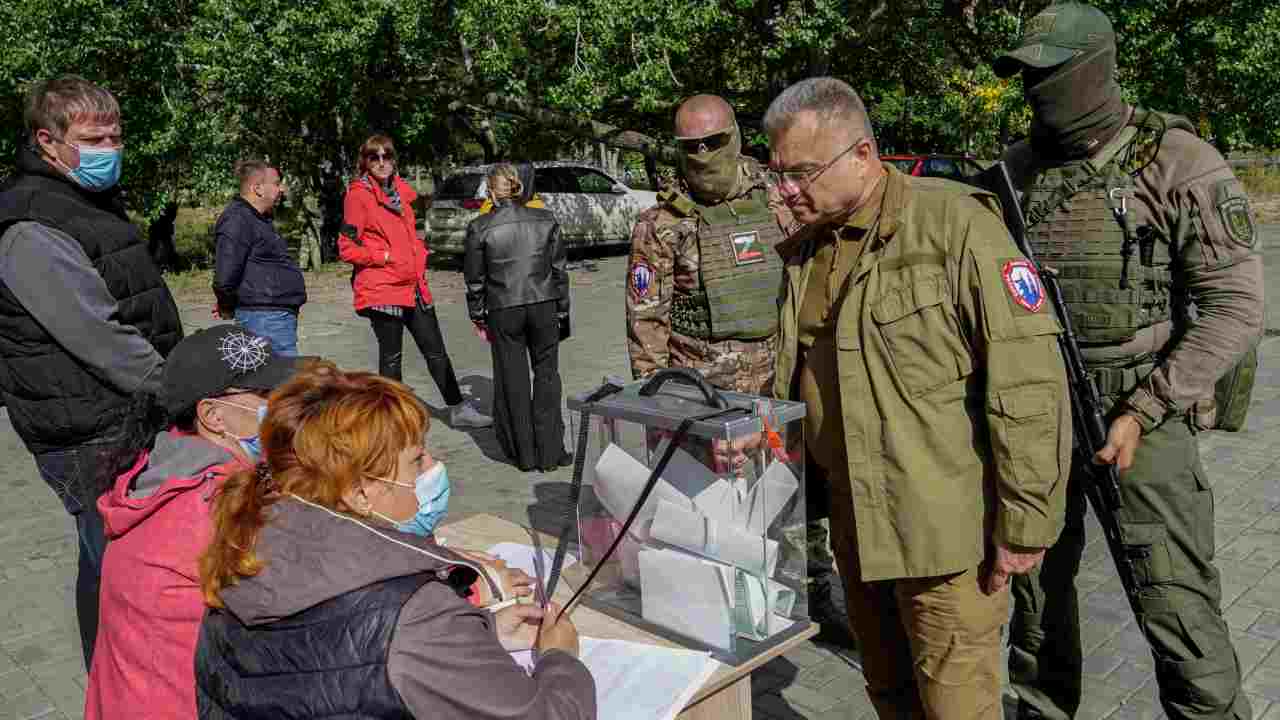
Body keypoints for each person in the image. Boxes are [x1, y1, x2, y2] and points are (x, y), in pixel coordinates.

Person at [764, 77, 1072, 718]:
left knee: (956, 706)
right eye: (778, 173)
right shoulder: (807, 248)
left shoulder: (954, 227)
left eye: (801, 173)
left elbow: (1030, 381)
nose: (786, 190)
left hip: (943, 540)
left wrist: (1027, 522)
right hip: (854, 524)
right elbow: (803, 375)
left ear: (863, 154)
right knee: (890, 695)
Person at [991, 5, 1264, 719]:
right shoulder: (1015, 174)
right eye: (1026, 76)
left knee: (1175, 604)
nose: (1033, 92)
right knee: (1037, 598)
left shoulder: (1177, 162)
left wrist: (1145, 409)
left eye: (1046, 75)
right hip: (1038, 410)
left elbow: (1237, 306)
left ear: (1092, 69)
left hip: (1142, 408)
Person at [194, 363, 594, 719]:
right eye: (417, 460)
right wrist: (559, 658)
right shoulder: (416, 615)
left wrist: (478, 632)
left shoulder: (242, 551)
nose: (436, 467)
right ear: (360, 494)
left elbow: (341, 660)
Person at [624, 93, 850, 646]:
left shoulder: (779, 197)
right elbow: (644, 322)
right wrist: (663, 414)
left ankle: (812, 594)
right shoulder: (661, 224)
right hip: (703, 398)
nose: (703, 154)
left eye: (714, 141)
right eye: (690, 146)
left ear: (737, 137)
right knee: (708, 512)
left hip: (781, 384)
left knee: (794, 497)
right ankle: (719, 605)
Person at [0, 75, 184, 668]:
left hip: (115, 415)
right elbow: (99, 337)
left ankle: (120, 675)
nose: (109, 148)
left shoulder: (81, 199)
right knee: (114, 561)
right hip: (86, 429)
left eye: (115, 135)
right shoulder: (32, 224)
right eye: (92, 137)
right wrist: (181, 385)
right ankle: (121, 681)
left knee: (107, 553)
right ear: (47, 141)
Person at [84, 325, 299, 719]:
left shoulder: (163, 466)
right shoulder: (219, 506)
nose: (284, 406)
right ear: (214, 416)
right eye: (268, 396)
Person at [338, 134, 491, 428]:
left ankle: (458, 409)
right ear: (366, 162)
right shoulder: (358, 196)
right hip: (383, 288)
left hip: (413, 285)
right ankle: (391, 419)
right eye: (375, 157)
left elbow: (407, 235)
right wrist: (384, 257)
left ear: (394, 160)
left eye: (387, 156)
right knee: (392, 358)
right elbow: (346, 247)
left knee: (436, 350)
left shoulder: (401, 193)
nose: (382, 163)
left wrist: (418, 251)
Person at [465, 163, 572, 472]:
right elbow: (559, 271)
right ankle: (551, 452)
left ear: (490, 190)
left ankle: (524, 454)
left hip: (504, 307)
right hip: (544, 304)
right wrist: (562, 311)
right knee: (547, 376)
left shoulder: (479, 226)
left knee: (513, 379)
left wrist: (477, 315)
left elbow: (475, 280)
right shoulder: (545, 218)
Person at [212, 159, 307, 355]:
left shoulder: (256, 219)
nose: (281, 189)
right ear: (257, 188)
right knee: (281, 382)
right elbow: (225, 276)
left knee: (282, 381)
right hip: (264, 320)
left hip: (272, 318)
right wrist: (227, 305)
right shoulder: (237, 219)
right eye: (276, 183)